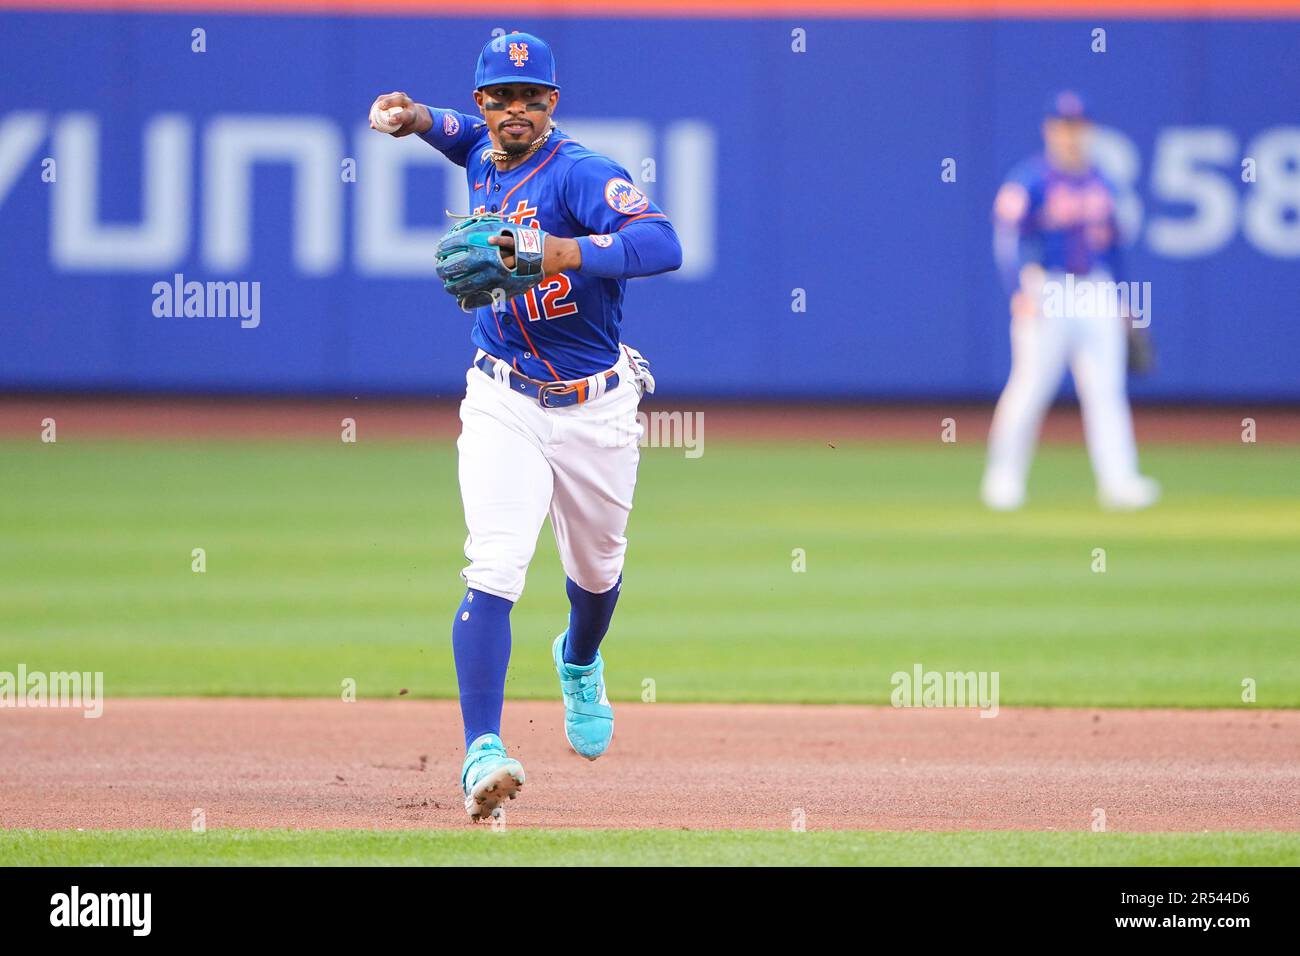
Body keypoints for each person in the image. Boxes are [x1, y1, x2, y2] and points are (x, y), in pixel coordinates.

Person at [368, 31, 682, 819]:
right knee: (497, 564)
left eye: (530, 97)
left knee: (599, 572)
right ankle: (482, 751)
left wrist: (557, 252)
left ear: (553, 103)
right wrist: (412, 118)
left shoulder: (580, 172)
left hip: (597, 405)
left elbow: (662, 242)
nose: (515, 110)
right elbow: (459, 133)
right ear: (484, 102)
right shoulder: (482, 146)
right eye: (500, 97)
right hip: (501, 396)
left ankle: (578, 661)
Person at [983, 91, 1159, 511]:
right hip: (1047, 287)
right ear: (1049, 130)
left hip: (1094, 288)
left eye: (1077, 126)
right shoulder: (1029, 180)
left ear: (1089, 130)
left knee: (1106, 389)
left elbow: (1115, 249)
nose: (1070, 135)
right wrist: (1018, 291)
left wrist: (1125, 301)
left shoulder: (1104, 181)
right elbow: (1008, 241)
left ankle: (1119, 482)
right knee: (1030, 386)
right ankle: (1002, 479)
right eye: (1063, 126)